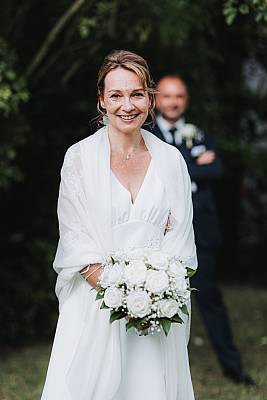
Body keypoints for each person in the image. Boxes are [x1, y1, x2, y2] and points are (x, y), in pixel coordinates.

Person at [41, 51, 197, 400]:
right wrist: (125, 296)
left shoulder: (171, 160)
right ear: (101, 100)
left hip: (156, 313)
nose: (127, 105)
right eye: (116, 95)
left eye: (137, 94)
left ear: (150, 98)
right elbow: (76, 240)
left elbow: (180, 237)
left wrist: (154, 298)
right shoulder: (79, 158)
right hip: (94, 304)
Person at [152, 75, 254, 386]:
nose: (173, 102)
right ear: (156, 99)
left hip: (201, 229)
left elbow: (216, 170)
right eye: (167, 96)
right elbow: (158, 171)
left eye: (179, 96)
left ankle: (233, 368)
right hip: (158, 230)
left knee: (210, 298)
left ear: (186, 100)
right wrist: (192, 162)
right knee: (154, 295)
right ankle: (154, 374)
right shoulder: (147, 135)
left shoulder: (199, 133)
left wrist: (184, 164)